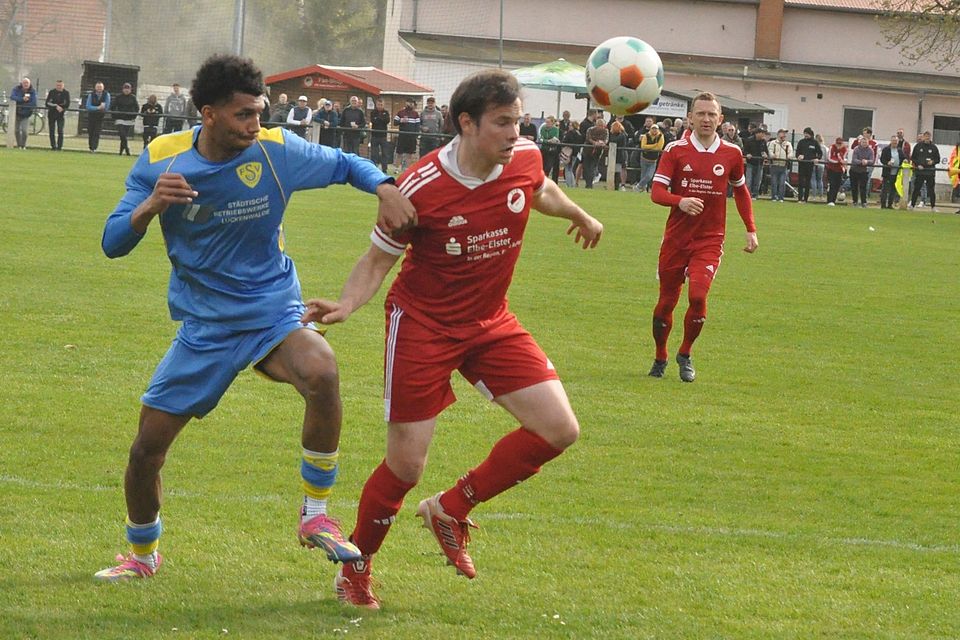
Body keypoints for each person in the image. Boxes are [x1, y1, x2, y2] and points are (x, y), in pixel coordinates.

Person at [93, 53, 416, 583]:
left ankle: (315, 516)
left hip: (273, 310)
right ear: (209, 113)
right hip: (206, 326)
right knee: (145, 452)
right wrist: (150, 206)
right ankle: (142, 555)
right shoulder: (162, 161)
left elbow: (344, 164)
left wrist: (384, 185)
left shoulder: (276, 151)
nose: (255, 124)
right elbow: (112, 243)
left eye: (259, 112)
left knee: (323, 369)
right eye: (244, 114)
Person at [301, 68, 602, 610]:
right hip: (423, 326)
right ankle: (355, 570)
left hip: (491, 322)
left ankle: (451, 508)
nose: (516, 133)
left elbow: (541, 190)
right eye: (504, 122)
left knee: (559, 429)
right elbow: (376, 261)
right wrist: (346, 304)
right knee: (405, 468)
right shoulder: (420, 187)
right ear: (467, 123)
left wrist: (580, 213)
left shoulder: (525, 158)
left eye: (519, 120)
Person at [647, 92, 758, 382]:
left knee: (698, 296)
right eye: (701, 114)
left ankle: (685, 352)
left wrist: (751, 229)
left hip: (710, 239)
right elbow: (657, 193)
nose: (707, 119)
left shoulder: (732, 153)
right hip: (676, 240)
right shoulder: (674, 150)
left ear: (720, 119)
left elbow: (741, 191)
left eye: (712, 114)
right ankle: (661, 355)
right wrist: (680, 201)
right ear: (690, 118)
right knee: (666, 304)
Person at [910, 131, 940, 210]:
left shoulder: (934, 147)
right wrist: (918, 165)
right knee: (916, 189)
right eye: (925, 136)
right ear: (923, 137)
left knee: (931, 190)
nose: (927, 138)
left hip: (930, 172)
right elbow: (913, 158)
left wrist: (932, 162)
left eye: (928, 136)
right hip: (920, 172)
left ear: (930, 137)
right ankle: (912, 205)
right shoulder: (918, 146)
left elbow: (938, 159)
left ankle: (933, 207)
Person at [794, 127, 822, 203]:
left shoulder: (815, 142)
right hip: (802, 164)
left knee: (807, 182)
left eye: (807, 133)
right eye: (804, 133)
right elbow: (797, 152)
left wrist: (817, 158)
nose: (805, 135)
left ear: (810, 134)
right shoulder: (801, 142)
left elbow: (820, 153)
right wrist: (798, 156)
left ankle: (805, 199)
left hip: (810, 165)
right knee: (800, 182)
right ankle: (800, 198)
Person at [393, 98, 420, 173]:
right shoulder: (400, 112)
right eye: (409, 103)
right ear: (406, 103)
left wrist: (416, 136)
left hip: (411, 137)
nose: (410, 104)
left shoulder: (415, 114)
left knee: (409, 154)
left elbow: (417, 126)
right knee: (399, 153)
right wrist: (401, 120)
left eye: (412, 103)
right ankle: (396, 169)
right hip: (402, 136)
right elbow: (394, 122)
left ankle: (406, 169)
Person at [113, 83, 140, 156]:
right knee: (122, 134)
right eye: (125, 88)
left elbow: (137, 108)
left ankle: (121, 152)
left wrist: (133, 116)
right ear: (123, 89)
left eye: (128, 89)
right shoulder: (118, 97)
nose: (126, 90)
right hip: (120, 119)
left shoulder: (133, 98)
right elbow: (113, 106)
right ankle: (127, 150)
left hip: (129, 120)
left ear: (130, 90)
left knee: (123, 136)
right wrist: (115, 115)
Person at [849, 134, 875, 208]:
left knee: (863, 187)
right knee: (854, 187)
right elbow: (854, 159)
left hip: (864, 171)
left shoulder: (871, 150)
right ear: (860, 142)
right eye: (863, 142)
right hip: (854, 170)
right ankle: (855, 202)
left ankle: (864, 202)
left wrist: (866, 161)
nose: (864, 144)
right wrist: (861, 162)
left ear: (868, 143)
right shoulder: (856, 149)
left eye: (865, 142)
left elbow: (872, 160)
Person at [10, 77, 37, 149]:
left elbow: (33, 102)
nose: (26, 84)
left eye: (27, 83)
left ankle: (23, 145)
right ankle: (19, 145)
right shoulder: (16, 89)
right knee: (16, 130)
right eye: (24, 83)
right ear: (21, 83)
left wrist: (24, 107)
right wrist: (22, 99)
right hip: (16, 113)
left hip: (26, 114)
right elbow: (12, 97)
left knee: (24, 131)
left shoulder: (32, 91)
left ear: (29, 84)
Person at [582, 117, 608, 189]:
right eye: (600, 125)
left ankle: (590, 184)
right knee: (586, 168)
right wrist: (594, 143)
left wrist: (602, 143)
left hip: (597, 152)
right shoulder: (590, 130)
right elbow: (588, 138)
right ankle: (588, 183)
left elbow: (606, 139)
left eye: (602, 126)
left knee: (592, 167)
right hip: (587, 151)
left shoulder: (605, 131)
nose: (602, 127)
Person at [637, 124, 664, 192]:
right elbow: (643, 146)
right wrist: (654, 145)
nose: (654, 130)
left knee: (649, 176)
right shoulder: (646, 135)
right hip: (644, 158)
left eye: (656, 129)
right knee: (643, 175)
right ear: (650, 129)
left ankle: (638, 186)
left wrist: (649, 147)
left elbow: (659, 148)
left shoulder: (660, 136)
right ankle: (642, 190)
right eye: (653, 128)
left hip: (653, 160)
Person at [742, 127, 768, 198]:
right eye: (762, 133)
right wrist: (747, 154)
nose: (763, 135)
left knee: (758, 180)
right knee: (749, 180)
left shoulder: (763, 141)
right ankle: (747, 194)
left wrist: (765, 154)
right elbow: (744, 150)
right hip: (750, 163)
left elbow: (766, 151)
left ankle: (755, 195)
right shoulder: (749, 140)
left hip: (760, 163)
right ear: (757, 133)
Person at [45, 80, 70, 151]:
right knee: (52, 131)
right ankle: (53, 146)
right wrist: (55, 106)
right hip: (51, 114)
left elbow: (67, 104)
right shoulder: (52, 92)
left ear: (63, 85)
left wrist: (61, 108)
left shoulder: (66, 93)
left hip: (61, 115)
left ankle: (60, 147)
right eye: (57, 85)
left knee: (60, 130)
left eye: (60, 85)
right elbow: (47, 103)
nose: (59, 87)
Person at [879, 134, 903, 209]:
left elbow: (903, 158)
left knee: (893, 190)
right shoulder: (886, 149)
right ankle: (883, 205)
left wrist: (905, 160)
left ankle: (890, 204)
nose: (894, 142)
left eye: (896, 141)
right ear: (891, 141)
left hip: (896, 173)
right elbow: (882, 159)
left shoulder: (899, 150)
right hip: (887, 173)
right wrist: (887, 163)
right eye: (893, 141)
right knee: (885, 189)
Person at [85, 81, 110, 152]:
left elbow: (106, 107)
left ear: (103, 88)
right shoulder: (91, 95)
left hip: (100, 117)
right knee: (90, 132)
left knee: (97, 132)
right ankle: (90, 147)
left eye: (100, 87)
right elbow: (88, 106)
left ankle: (94, 148)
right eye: (98, 87)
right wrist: (98, 108)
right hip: (91, 116)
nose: (99, 88)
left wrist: (101, 108)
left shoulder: (106, 95)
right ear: (95, 88)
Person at [369, 98, 392, 172]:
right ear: (376, 105)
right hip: (375, 136)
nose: (380, 106)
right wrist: (380, 119)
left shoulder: (386, 112)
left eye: (381, 105)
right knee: (374, 153)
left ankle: (384, 169)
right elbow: (373, 121)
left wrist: (379, 119)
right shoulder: (373, 112)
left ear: (383, 105)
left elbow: (387, 121)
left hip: (383, 136)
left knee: (385, 153)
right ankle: (373, 168)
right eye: (379, 104)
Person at [825, 137, 848, 206]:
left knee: (837, 186)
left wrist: (842, 162)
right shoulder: (832, 147)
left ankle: (833, 201)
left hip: (839, 170)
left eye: (840, 144)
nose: (838, 145)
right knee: (831, 185)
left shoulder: (844, 149)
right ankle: (829, 200)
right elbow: (829, 158)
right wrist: (837, 161)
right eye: (837, 144)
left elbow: (844, 158)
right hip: (831, 169)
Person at [538, 114, 561, 183]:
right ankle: (542, 180)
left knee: (549, 166)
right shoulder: (543, 129)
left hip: (552, 150)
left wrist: (549, 140)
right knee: (543, 166)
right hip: (544, 149)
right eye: (546, 122)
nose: (547, 123)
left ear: (552, 123)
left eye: (548, 122)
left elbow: (555, 139)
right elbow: (541, 139)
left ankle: (548, 180)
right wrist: (547, 141)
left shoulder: (555, 129)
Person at [561, 120, 582, 188]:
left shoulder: (570, 133)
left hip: (569, 153)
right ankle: (573, 184)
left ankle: (569, 184)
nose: (569, 127)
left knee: (568, 169)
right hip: (575, 153)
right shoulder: (579, 133)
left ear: (573, 126)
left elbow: (565, 141)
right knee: (571, 169)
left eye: (570, 125)